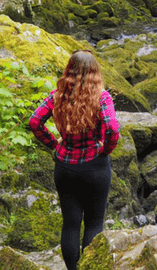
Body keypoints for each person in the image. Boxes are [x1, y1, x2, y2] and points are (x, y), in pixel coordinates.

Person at [29, 50, 119, 270]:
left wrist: (54, 144)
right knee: (94, 223)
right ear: (95, 73)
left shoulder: (56, 96)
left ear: (68, 71)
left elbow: (34, 121)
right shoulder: (102, 97)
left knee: (70, 224)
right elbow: (113, 129)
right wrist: (105, 149)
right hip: (95, 167)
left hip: (66, 167)